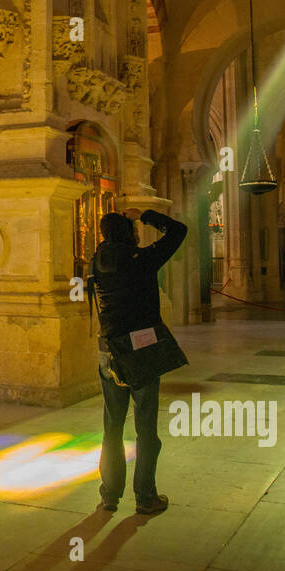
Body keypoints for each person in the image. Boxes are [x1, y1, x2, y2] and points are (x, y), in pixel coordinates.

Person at [90, 209, 188, 517]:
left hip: (109, 348)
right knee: (146, 428)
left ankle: (109, 496)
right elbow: (178, 231)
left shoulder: (96, 260)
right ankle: (145, 496)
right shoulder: (142, 260)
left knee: (112, 426)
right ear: (128, 233)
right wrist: (146, 215)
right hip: (140, 349)